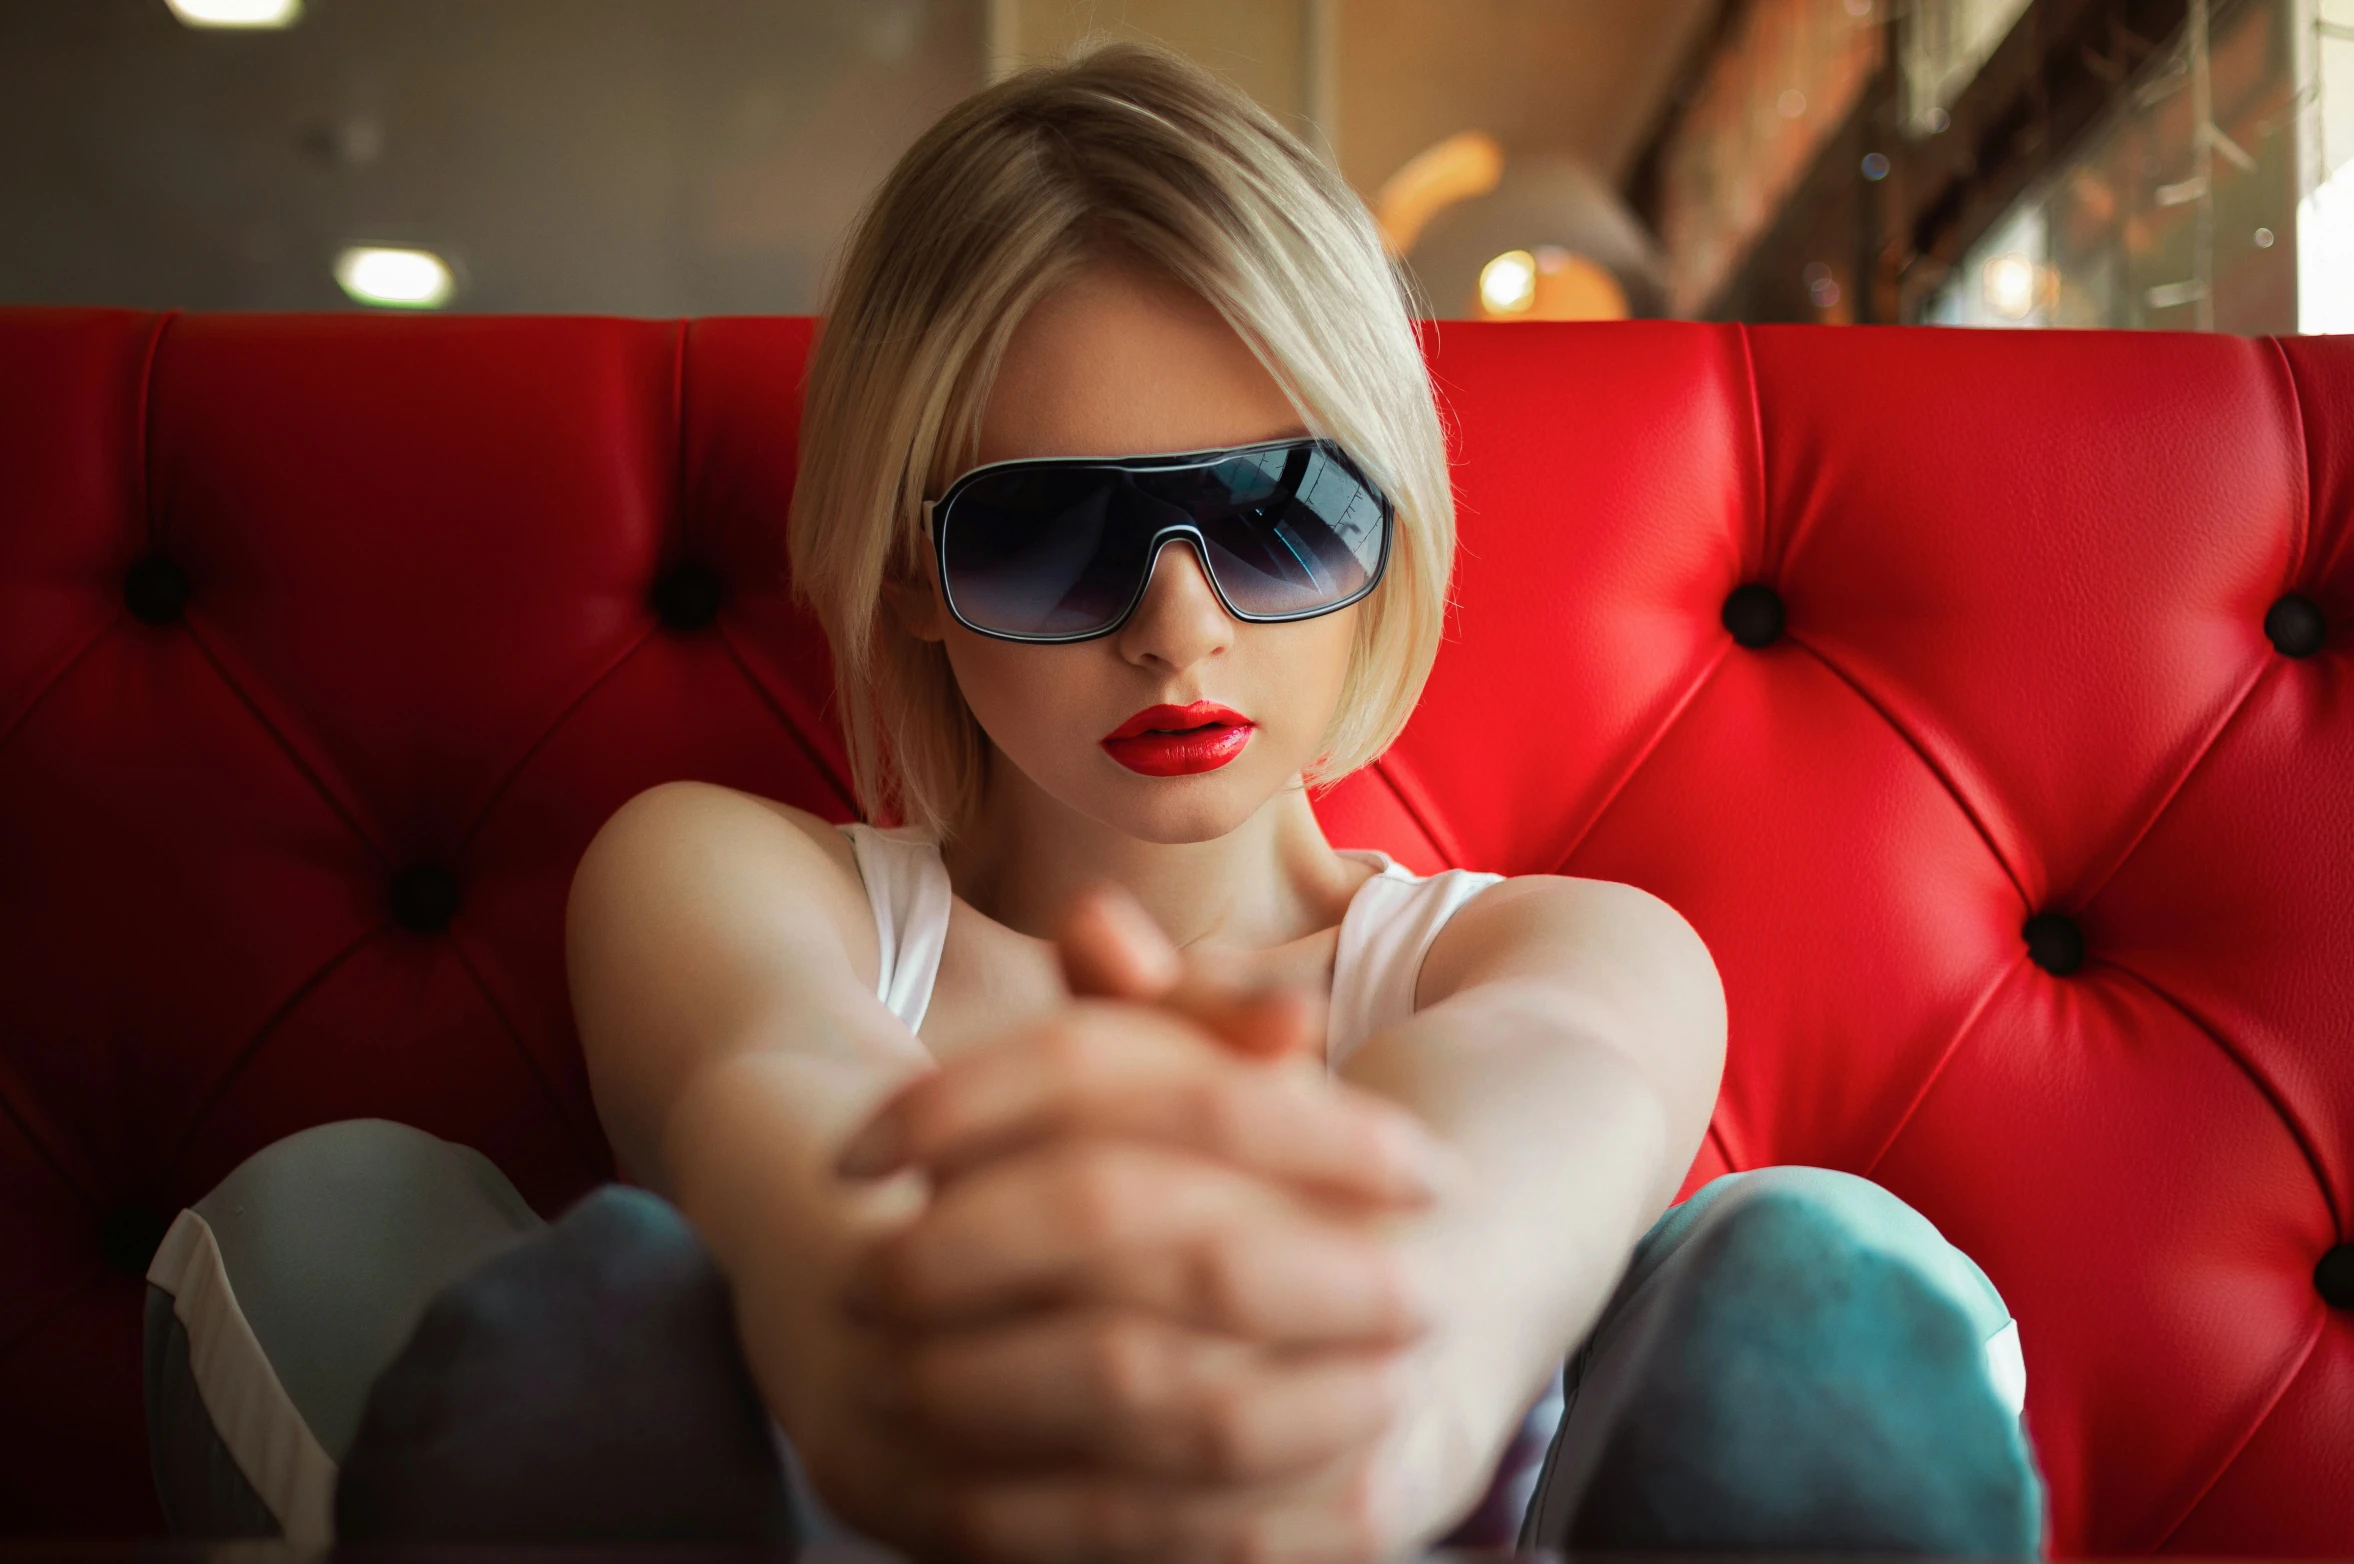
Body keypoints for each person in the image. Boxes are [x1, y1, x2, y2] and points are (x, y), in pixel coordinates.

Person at [144, 42, 2044, 1560]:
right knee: (335, 1211)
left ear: (1385, 538)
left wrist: (1362, 1416)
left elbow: (1508, 1165)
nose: (1176, 627)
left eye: (1279, 516)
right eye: (1057, 534)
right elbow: (767, 1092)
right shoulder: (726, 874)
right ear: (905, 572)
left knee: (1823, 1272)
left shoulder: (1568, 949)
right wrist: (870, 1326)